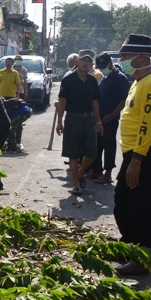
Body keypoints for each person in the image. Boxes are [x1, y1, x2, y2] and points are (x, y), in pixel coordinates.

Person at [113, 35, 151, 275]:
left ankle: (143, 258)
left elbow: (147, 125)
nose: (122, 61)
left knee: (143, 207)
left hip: (147, 153)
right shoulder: (137, 81)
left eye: (125, 57)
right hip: (134, 152)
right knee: (123, 202)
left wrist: (136, 161)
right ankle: (130, 245)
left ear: (142, 58)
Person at [56, 49, 103, 195]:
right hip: (72, 119)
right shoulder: (68, 80)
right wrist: (59, 122)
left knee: (91, 153)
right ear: (77, 62)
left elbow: (95, 103)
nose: (86, 63)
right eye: (83, 60)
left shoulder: (92, 81)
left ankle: (81, 172)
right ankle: (76, 184)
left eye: (89, 61)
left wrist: (99, 122)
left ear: (92, 64)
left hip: (89, 119)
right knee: (73, 153)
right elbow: (62, 103)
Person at [90, 53, 130, 184]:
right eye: (99, 67)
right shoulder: (104, 77)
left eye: (104, 66)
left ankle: (108, 173)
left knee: (109, 146)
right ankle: (97, 171)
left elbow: (124, 100)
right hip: (99, 117)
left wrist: (111, 116)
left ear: (111, 64)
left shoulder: (120, 78)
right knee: (97, 145)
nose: (101, 69)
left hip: (110, 118)